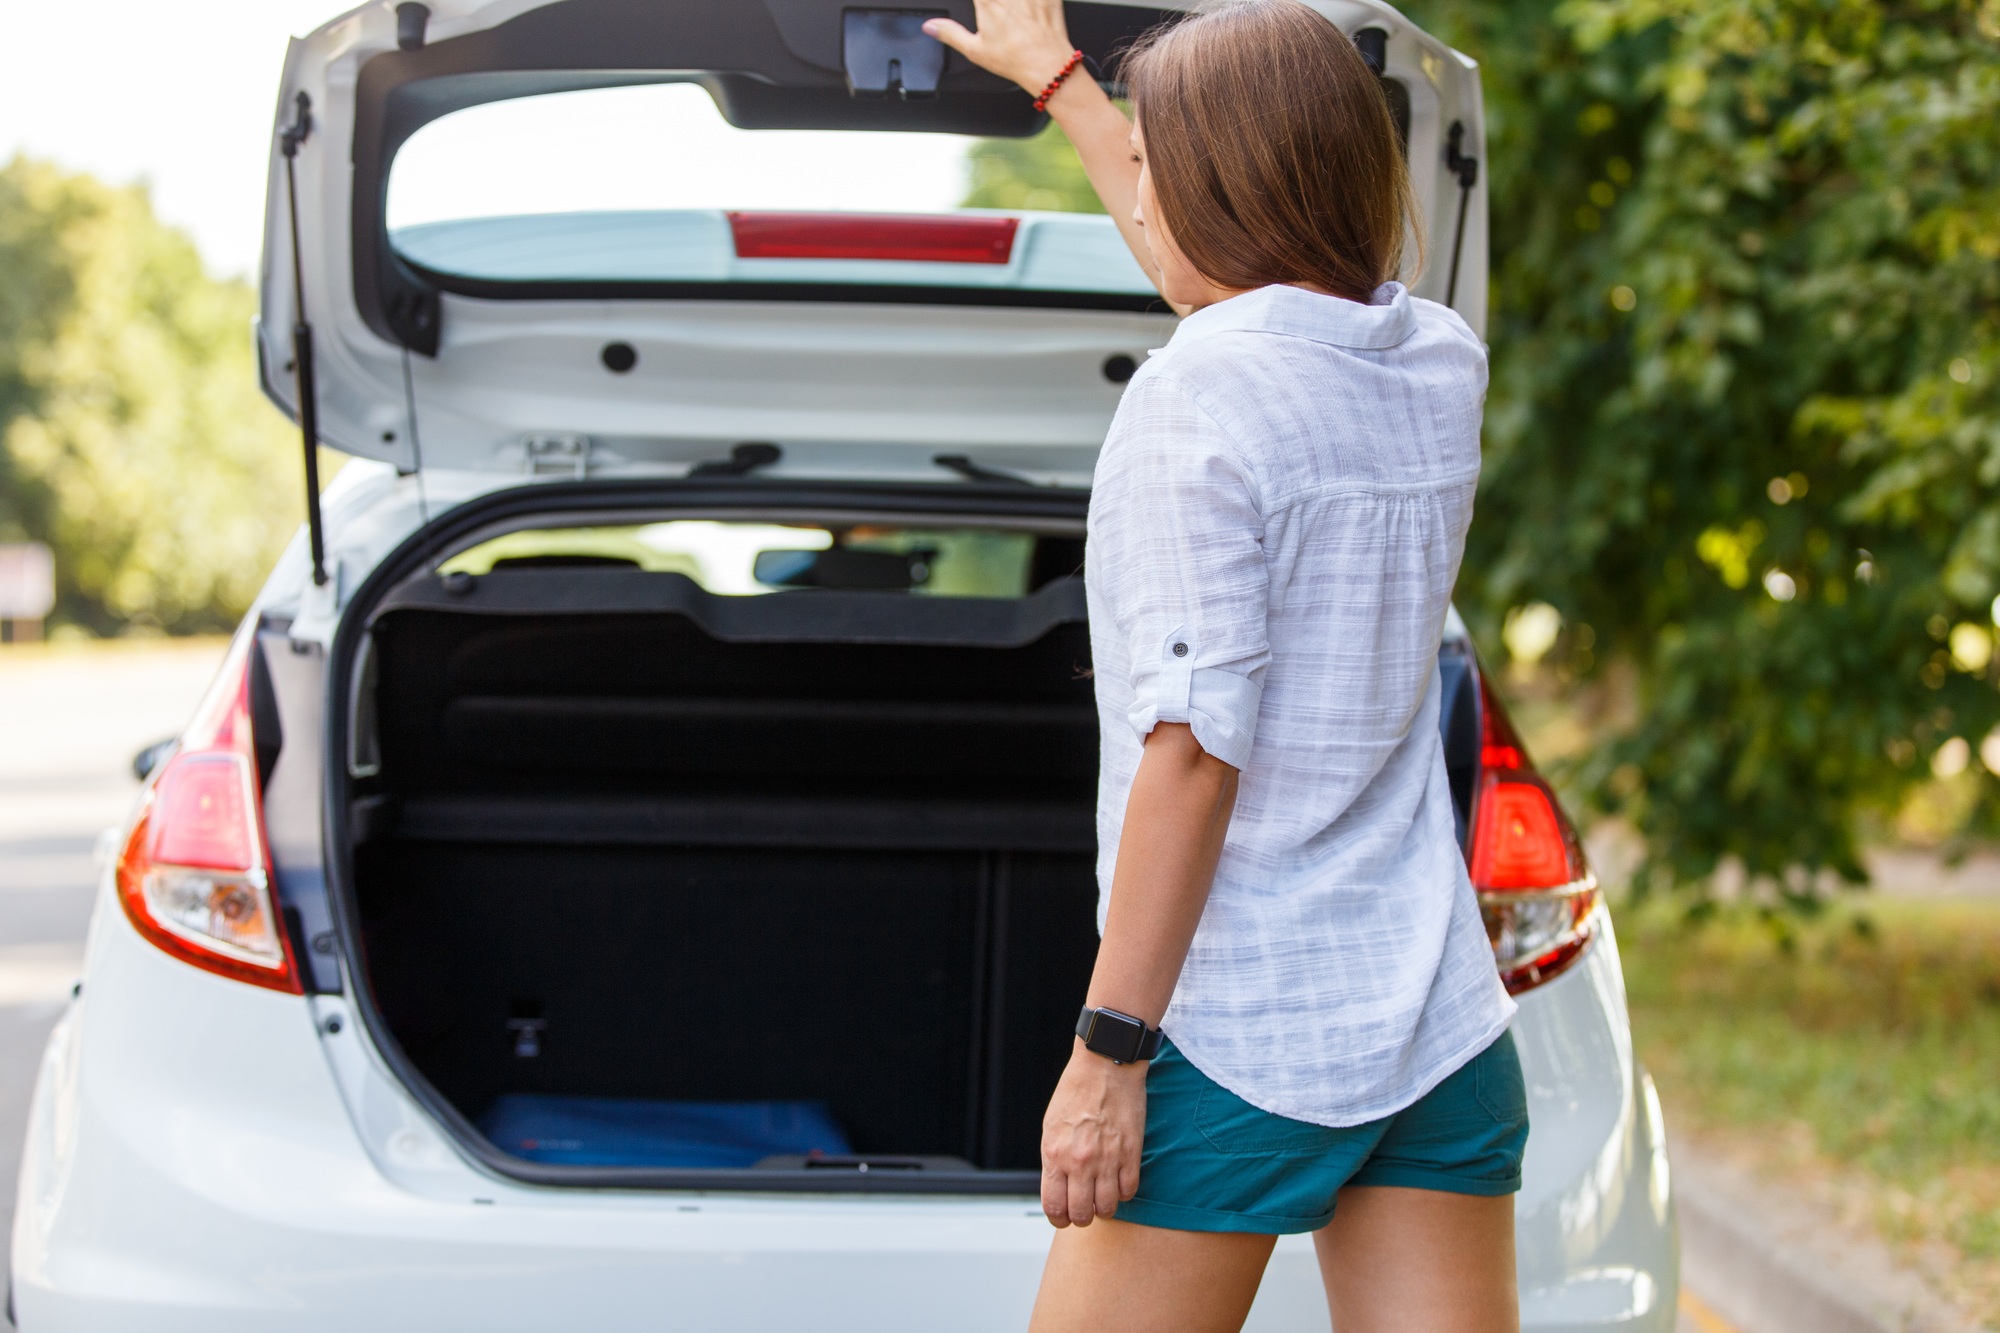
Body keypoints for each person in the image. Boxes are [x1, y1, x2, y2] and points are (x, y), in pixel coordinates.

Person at [920, 3, 1526, 1330]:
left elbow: (1193, 750)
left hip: (1240, 1023)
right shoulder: (1433, 359)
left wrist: (1109, 1050)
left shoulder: (1193, 399)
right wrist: (1065, 84)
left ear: (1217, 189)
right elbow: (1223, 276)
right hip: (1433, 1022)